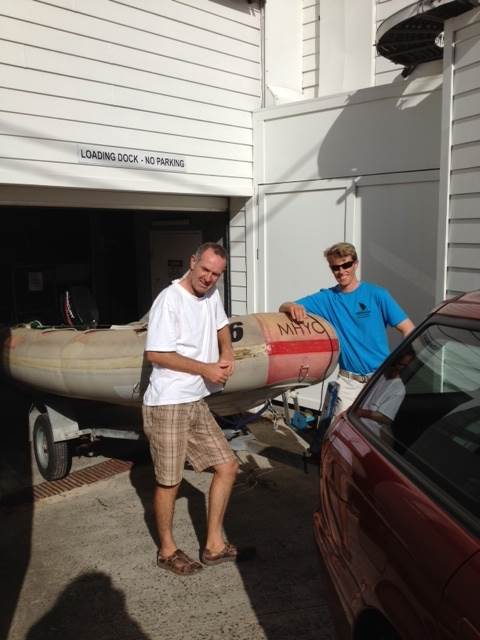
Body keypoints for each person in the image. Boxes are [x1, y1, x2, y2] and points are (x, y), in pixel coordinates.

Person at [142, 242, 239, 576]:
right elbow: (156, 354)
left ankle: (213, 545)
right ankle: (167, 551)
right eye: (205, 270)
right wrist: (206, 369)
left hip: (195, 400)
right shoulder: (169, 300)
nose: (208, 278)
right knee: (170, 481)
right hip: (168, 403)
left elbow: (221, 325)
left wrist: (227, 353)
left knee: (227, 466)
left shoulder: (210, 295)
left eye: (216, 274)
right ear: (192, 261)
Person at [279, 242, 414, 415]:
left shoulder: (377, 294)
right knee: (341, 428)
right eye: (335, 268)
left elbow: (408, 329)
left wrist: (400, 364)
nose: (341, 271)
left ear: (355, 264)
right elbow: (284, 306)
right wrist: (292, 306)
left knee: (379, 428)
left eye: (346, 265)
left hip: (382, 379)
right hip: (349, 383)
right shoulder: (328, 298)